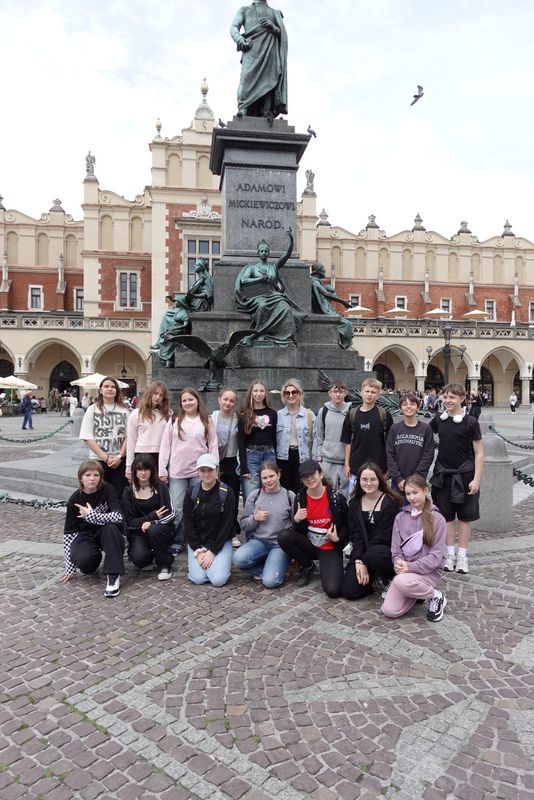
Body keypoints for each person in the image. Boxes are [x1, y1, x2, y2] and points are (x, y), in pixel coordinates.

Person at [429, 382, 484, 575]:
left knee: (465, 517)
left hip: (465, 476)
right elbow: (424, 434)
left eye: (452, 397)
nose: (447, 400)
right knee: (446, 517)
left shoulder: (471, 422)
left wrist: (476, 479)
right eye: (445, 396)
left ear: (462, 398)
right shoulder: (439, 420)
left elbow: (479, 453)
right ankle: (450, 554)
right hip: (444, 475)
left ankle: (462, 556)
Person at [159, 387, 218, 552]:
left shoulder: (206, 421)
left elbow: (213, 445)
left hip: (200, 473)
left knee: (198, 507)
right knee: (177, 508)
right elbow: (165, 446)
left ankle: (197, 540)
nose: (188, 403)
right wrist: (162, 469)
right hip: (178, 471)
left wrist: (214, 467)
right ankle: (177, 540)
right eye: (184, 400)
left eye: (190, 399)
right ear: (180, 403)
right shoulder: (175, 421)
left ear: (197, 401)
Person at [382, 474, 447, 622]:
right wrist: (398, 563)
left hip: (428, 572)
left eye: (415, 492)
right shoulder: (400, 517)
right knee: (389, 610)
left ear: (426, 491)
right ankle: (417, 593)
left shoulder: (438, 519)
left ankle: (435, 596)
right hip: (406, 572)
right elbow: (396, 550)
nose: (411, 497)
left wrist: (409, 567)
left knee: (400, 581)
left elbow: (436, 557)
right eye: (408, 494)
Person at [278, 460, 348, 596]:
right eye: (305, 477)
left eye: (312, 474)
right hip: (309, 545)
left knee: (332, 590)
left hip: (330, 546)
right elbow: (298, 531)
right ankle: (307, 565)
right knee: (284, 536)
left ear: (321, 475)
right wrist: (296, 520)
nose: (309, 479)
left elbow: (348, 524)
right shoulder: (300, 498)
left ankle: (329, 566)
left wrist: (338, 538)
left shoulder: (336, 498)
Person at [61, 460, 125, 598]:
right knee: (85, 564)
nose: (92, 479)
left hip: (107, 531)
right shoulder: (75, 499)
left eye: (96, 475)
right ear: (81, 478)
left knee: (111, 529)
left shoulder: (108, 489)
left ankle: (113, 575)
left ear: (100, 477)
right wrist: (69, 568)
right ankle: (94, 557)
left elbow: (118, 516)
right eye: (88, 475)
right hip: (86, 535)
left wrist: (92, 515)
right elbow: (69, 534)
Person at [340, 462, 402, 601]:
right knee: (349, 591)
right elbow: (356, 536)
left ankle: (393, 579)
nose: (368, 483)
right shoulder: (354, 503)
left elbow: (383, 536)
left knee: (375, 554)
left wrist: (363, 559)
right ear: (359, 481)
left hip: (383, 553)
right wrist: (358, 560)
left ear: (379, 480)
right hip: (363, 552)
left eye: (373, 479)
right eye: (364, 479)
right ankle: (372, 579)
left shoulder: (391, 502)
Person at [234, 229, 305, 347]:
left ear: (268, 253)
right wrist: (259, 279)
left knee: (286, 308)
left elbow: (287, 255)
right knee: (263, 306)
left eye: (266, 251)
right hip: (257, 296)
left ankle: (285, 338)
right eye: (261, 251)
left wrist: (291, 240)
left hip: (273, 295)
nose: (263, 253)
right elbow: (244, 280)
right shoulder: (252, 268)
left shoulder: (273, 266)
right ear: (258, 253)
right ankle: (259, 334)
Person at [234, 461, 293, 588]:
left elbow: (295, 524)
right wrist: (255, 518)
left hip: (279, 545)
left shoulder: (289, 495)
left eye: (271, 476)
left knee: (270, 582)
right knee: (238, 559)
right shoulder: (255, 495)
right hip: (259, 542)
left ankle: (274, 569)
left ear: (278, 475)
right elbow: (244, 524)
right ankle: (270, 570)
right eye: (264, 478)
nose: (268, 480)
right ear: (260, 479)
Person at [183, 453, 235, 587]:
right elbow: (188, 523)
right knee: (198, 579)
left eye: (210, 470)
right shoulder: (191, 492)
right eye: (202, 470)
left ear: (217, 470)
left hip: (220, 541)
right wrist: (197, 549)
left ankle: (217, 564)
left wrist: (213, 551)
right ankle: (209, 566)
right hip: (199, 542)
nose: (206, 474)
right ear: (198, 472)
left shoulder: (227, 492)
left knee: (218, 580)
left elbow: (227, 525)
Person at [230, 0, 288, 119]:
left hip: (270, 51)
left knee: (269, 79)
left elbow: (282, 35)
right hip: (251, 50)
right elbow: (234, 27)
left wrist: (272, 27)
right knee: (246, 78)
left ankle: (266, 111)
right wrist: (239, 39)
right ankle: (243, 108)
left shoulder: (275, 13)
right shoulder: (244, 10)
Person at [121, 454, 175, 581]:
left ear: (152, 470)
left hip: (160, 529)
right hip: (138, 532)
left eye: (146, 469)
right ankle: (151, 553)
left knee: (154, 530)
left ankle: (165, 565)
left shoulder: (161, 487)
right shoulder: (128, 492)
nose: (143, 473)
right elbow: (128, 521)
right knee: (139, 559)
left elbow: (171, 513)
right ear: (134, 471)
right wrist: (151, 517)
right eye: (139, 469)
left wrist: (153, 522)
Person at [79, 376, 130, 498]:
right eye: (106, 386)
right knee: (99, 493)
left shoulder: (124, 410)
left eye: (113, 387)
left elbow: (128, 436)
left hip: (119, 460)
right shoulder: (92, 409)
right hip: (98, 460)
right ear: (100, 390)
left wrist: (119, 456)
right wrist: (105, 458)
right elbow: (87, 436)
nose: (110, 389)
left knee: (118, 494)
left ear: (117, 390)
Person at [341, 377, 393, 486]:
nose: (369, 394)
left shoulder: (384, 415)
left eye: (373, 392)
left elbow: (390, 443)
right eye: (367, 391)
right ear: (361, 393)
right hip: (356, 467)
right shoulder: (352, 414)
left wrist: (389, 466)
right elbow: (347, 442)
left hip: (378, 467)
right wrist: (347, 464)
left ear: (378, 395)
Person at [386, 391, 435, 497]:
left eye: (412, 404)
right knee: (397, 506)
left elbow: (428, 455)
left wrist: (416, 478)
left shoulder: (426, 429)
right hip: (398, 481)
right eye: (405, 404)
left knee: (416, 506)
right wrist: (398, 478)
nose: (408, 407)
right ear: (400, 409)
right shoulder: (395, 428)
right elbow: (389, 454)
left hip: (418, 481)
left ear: (418, 407)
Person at [211, 387, 241, 546]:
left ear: (235, 403)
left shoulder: (238, 419)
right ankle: (216, 530)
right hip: (216, 462)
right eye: (225, 399)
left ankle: (232, 531)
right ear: (219, 399)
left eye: (231, 401)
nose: (228, 403)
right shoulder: (212, 418)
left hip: (233, 461)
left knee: (233, 498)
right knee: (216, 498)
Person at [237, 380, 278, 500]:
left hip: (269, 454)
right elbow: (241, 441)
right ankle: (251, 512)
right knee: (252, 492)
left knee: (270, 489)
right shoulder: (244, 414)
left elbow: (274, 437)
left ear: (265, 393)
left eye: (261, 391)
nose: (258, 394)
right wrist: (243, 467)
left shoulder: (272, 413)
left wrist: (275, 458)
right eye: (255, 390)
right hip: (251, 455)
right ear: (251, 393)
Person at [126, 381, 172, 480]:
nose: (157, 397)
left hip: (161, 456)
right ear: (149, 393)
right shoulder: (136, 414)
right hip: (142, 455)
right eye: (155, 393)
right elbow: (131, 442)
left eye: (161, 395)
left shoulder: (167, 414)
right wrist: (129, 468)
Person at [276, 378, 316, 494]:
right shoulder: (278, 415)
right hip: (283, 457)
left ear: (300, 394)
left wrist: (314, 461)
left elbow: (315, 439)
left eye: (294, 392)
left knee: (302, 489)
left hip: (303, 456)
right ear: (283, 396)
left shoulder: (309, 415)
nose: (291, 395)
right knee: (284, 490)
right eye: (287, 393)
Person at [316, 381, 350, 496]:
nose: (338, 394)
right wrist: (319, 459)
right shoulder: (323, 411)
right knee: (328, 496)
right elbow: (319, 437)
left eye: (341, 391)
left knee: (346, 497)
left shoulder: (351, 412)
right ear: (330, 393)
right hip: (327, 461)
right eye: (335, 391)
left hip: (346, 463)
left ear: (346, 393)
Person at [310, 262, 353, 349]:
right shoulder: (315, 282)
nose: (325, 270)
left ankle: (342, 345)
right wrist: (343, 302)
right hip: (323, 311)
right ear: (319, 270)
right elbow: (327, 294)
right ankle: (344, 346)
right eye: (323, 268)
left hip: (323, 310)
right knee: (347, 324)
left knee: (347, 324)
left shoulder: (314, 281)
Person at [151, 293, 191, 367]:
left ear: (180, 302)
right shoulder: (177, 311)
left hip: (178, 330)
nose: (174, 303)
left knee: (168, 337)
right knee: (166, 332)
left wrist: (175, 328)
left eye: (176, 301)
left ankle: (166, 357)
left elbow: (185, 325)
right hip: (173, 329)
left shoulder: (184, 313)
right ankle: (160, 342)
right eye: (174, 301)